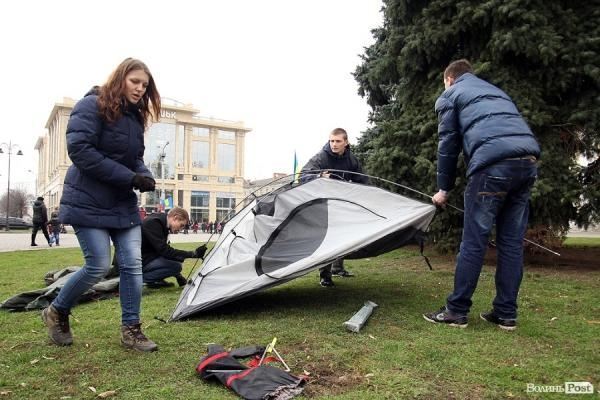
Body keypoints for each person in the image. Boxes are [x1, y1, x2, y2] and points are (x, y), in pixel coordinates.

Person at [41, 58, 161, 351]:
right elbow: (80, 151)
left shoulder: (135, 118)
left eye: (144, 85)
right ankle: (57, 310)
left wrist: (143, 175)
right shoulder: (90, 105)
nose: (139, 89)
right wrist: (130, 176)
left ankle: (131, 330)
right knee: (98, 265)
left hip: (121, 203)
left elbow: (135, 159)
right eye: (135, 82)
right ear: (120, 78)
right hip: (88, 200)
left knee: (133, 265)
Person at [423, 59, 540, 330]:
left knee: (474, 241)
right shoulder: (497, 92)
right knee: (511, 243)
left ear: (449, 79)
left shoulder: (451, 94)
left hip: (492, 168)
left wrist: (443, 189)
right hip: (528, 164)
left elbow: (448, 146)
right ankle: (506, 313)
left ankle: (456, 311)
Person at [300, 127, 368, 287]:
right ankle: (325, 275)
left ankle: (338, 268)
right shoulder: (321, 157)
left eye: (338, 141)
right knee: (329, 239)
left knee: (343, 235)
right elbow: (303, 175)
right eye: (332, 141)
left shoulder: (351, 159)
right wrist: (319, 176)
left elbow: (363, 180)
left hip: (341, 203)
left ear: (346, 142)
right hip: (323, 204)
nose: (334, 144)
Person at [142, 207, 207, 288]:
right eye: (181, 225)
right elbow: (164, 251)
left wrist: (179, 277)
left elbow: (164, 251)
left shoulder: (161, 221)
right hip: (141, 261)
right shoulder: (153, 222)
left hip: (148, 257)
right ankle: (138, 279)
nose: (181, 229)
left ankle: (155, 280)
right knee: (176, 266)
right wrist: (193, 254)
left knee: (175, 261)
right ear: (175, 218)